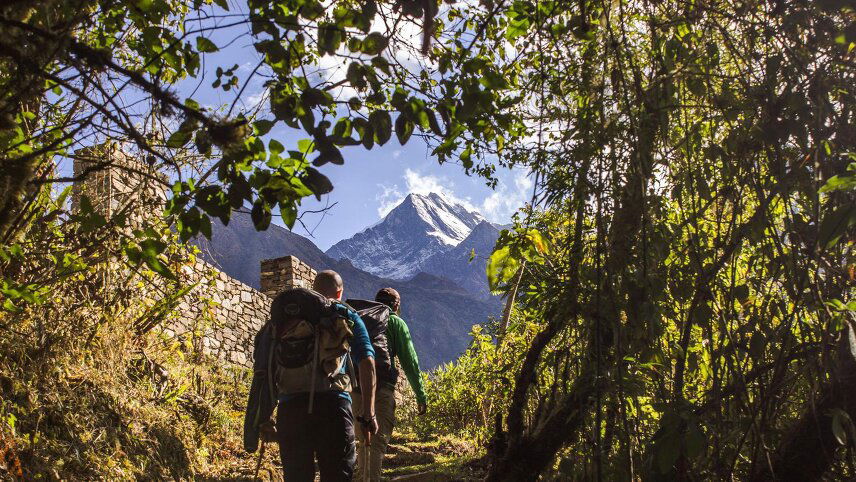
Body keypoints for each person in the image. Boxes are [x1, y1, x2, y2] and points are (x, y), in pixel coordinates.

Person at [260, 270, 379, 481]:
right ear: (339, 292)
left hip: (290, 409)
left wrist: (263, 415)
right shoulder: (343, 313)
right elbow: (367, 361)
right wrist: (368, 414)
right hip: (333, 406)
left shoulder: (284, 319)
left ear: (313, 290)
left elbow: (263, 367)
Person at [352, 287, 427, 482]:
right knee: (376, 443)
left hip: (355, 389)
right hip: (382, 388)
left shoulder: (360, 320)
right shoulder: (395, 322)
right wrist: (420, 395)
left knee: (361, 442)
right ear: (396, 305)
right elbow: (410, 362)